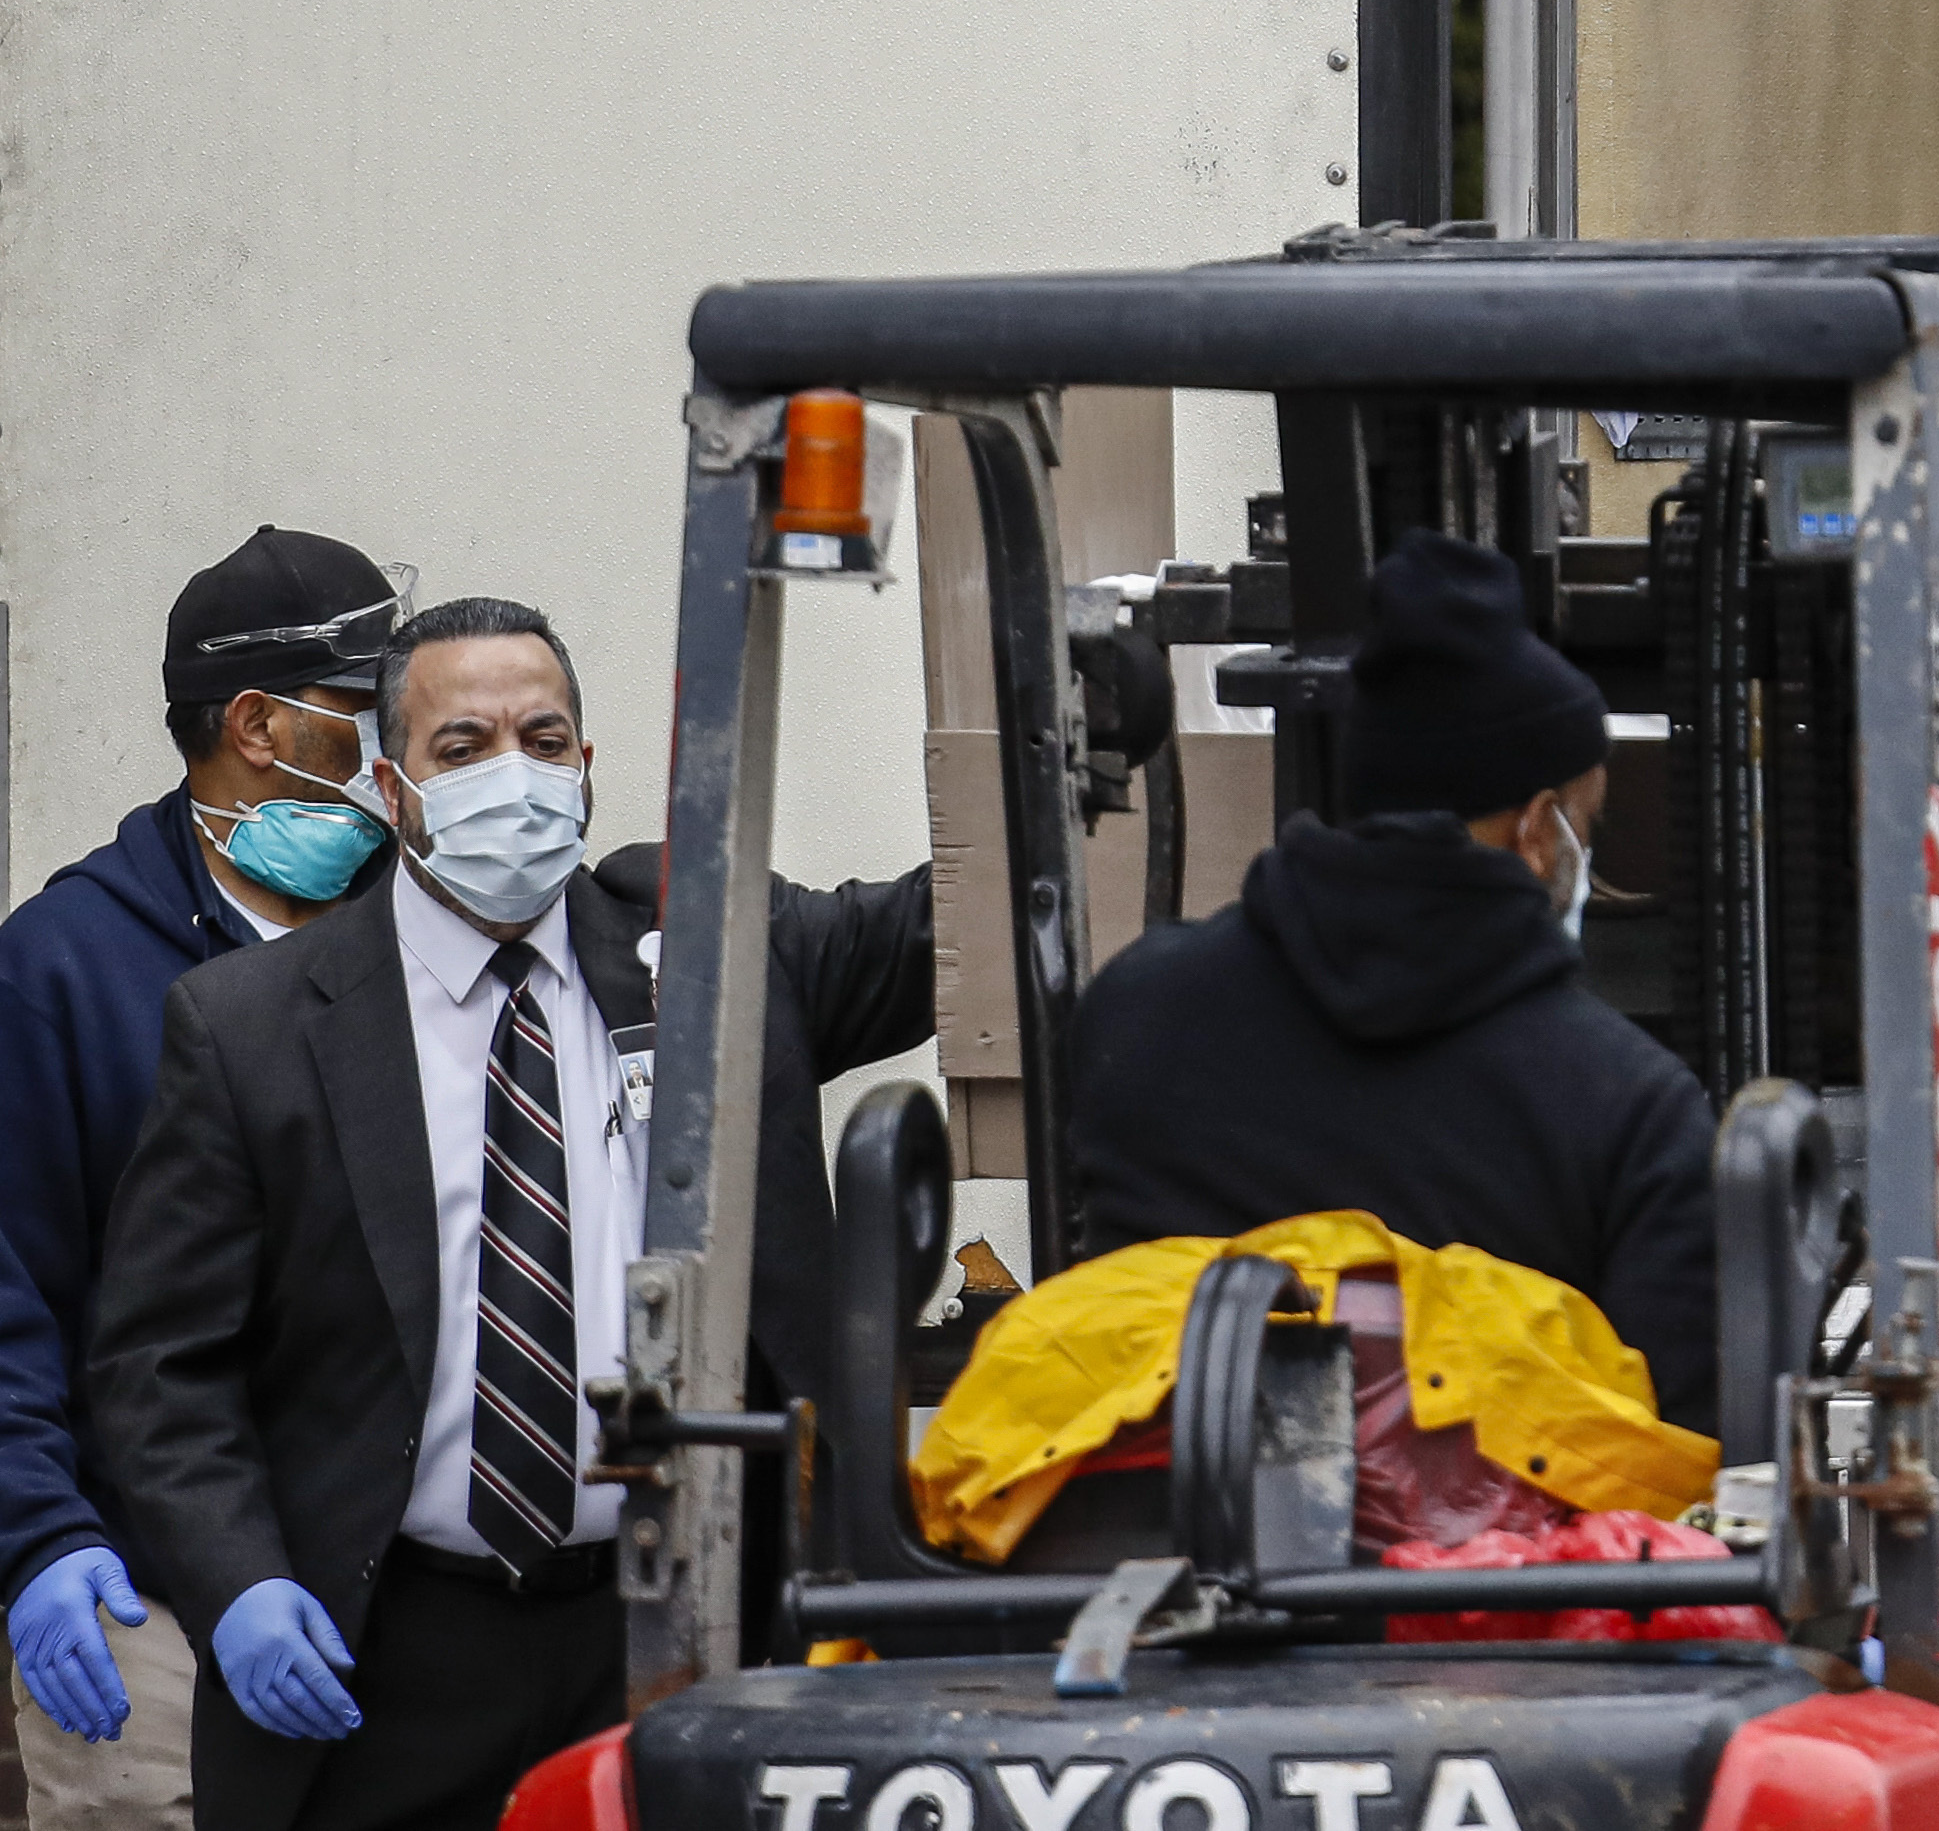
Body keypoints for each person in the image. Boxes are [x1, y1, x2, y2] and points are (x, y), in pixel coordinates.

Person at [84, 598, 931, 1831]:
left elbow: (945, 920)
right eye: (462, 747)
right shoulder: (251, 1027)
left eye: (543, 739)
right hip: (380, 1652)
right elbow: (158, 1364)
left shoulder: (707, 954)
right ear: (391, 784)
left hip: (668, 1628)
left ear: (587, 768)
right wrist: (238, 1582)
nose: (512, 776)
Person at [1064, 528, 1713, 1422]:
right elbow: (1688, 1470)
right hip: (1507, 1563)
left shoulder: (1132, 1014)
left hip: (1151, 1545)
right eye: (1585, 824)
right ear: (1535, 831)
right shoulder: (1628, 1110)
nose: (1584, 856)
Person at [5, 529, 402, 1831]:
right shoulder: (59, 975)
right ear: (257, 722)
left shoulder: (421, 939)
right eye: (366, 715)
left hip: (379, 1583)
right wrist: (41, 1543)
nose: (398, 752)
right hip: (145, 1595)